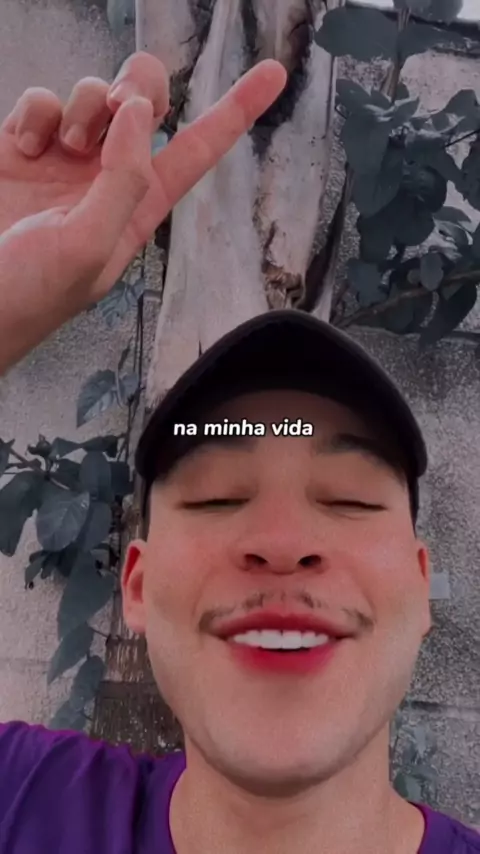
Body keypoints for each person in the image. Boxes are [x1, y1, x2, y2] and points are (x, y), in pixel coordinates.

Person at [0, 51, 478, 854]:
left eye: (349, 500)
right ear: (138, 584)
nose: (282, 544)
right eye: (218, 497)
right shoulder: (23, 804)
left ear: (420, 585)